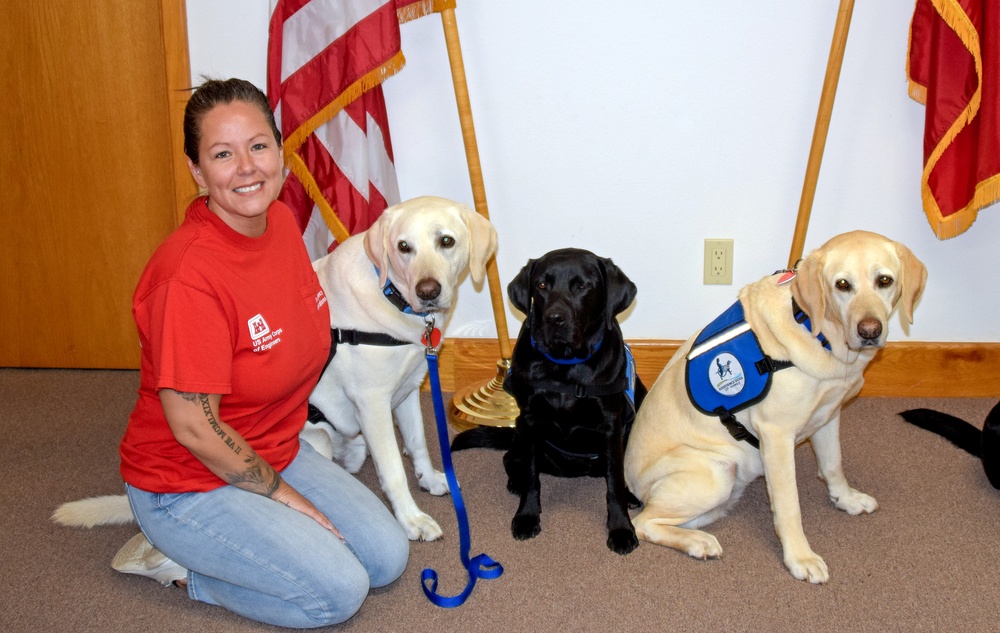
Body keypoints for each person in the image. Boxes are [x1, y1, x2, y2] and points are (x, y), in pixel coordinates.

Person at [113, 78, 409, 628]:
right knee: (335, 595)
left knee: (386, 559)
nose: (247, 167)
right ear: (198, 173)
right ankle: (177, 565)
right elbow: (196, 429)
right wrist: (287, 499)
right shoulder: (187, 278)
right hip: (186, 482)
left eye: (258, 146)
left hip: (273, 445)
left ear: (279, 151)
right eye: (223, 154)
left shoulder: (276, 222)